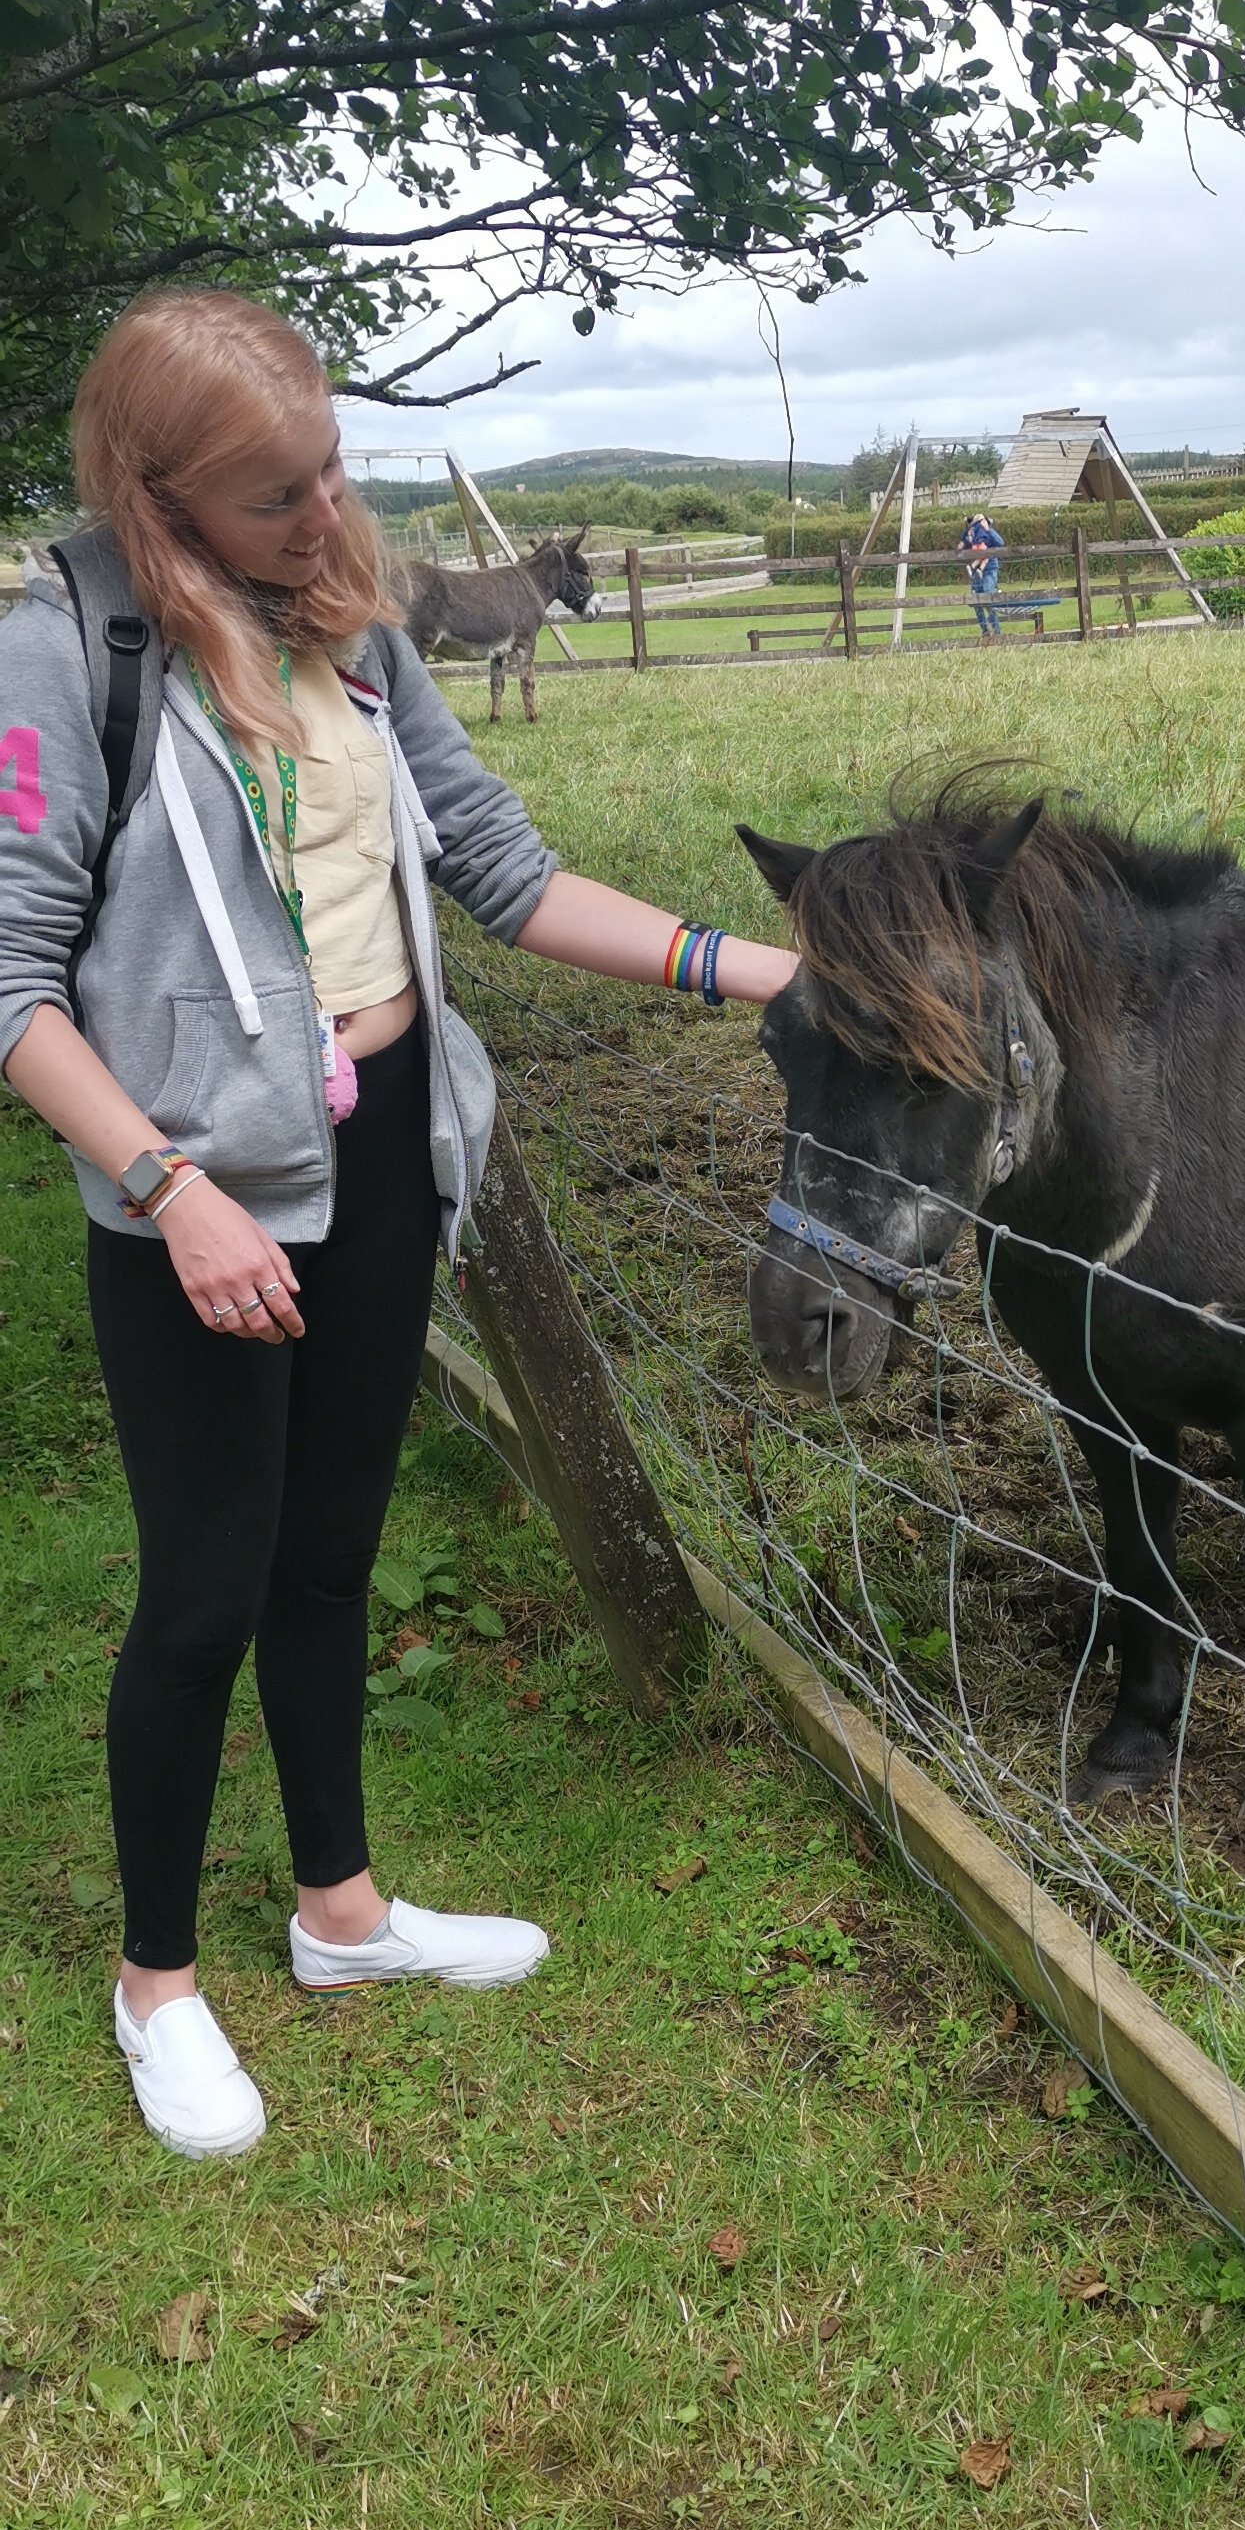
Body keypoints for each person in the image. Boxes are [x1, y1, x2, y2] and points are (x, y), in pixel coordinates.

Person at [0, 292, 798, 2162]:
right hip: (195, 1190)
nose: (328, 515)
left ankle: (340, 1912)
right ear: (157, 492)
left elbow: (498, 869)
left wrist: (767, 969)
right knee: (203, 1587)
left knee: (329, 1557)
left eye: (334, 469)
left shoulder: (348, 614)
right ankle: (158, 1984)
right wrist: (166, 1190)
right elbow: (13, 977)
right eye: (278, 495)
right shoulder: (65, 648)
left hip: (376, 1160)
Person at [958, 511, 1007, 640]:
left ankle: (997, 632)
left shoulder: (989, 533)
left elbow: (1000, 543)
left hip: (989, 569)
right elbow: (966, 546)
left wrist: (988, 530)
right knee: (976, 600)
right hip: (976, 572)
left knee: (987, 596)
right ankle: (985, 630)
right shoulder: (974, 533)